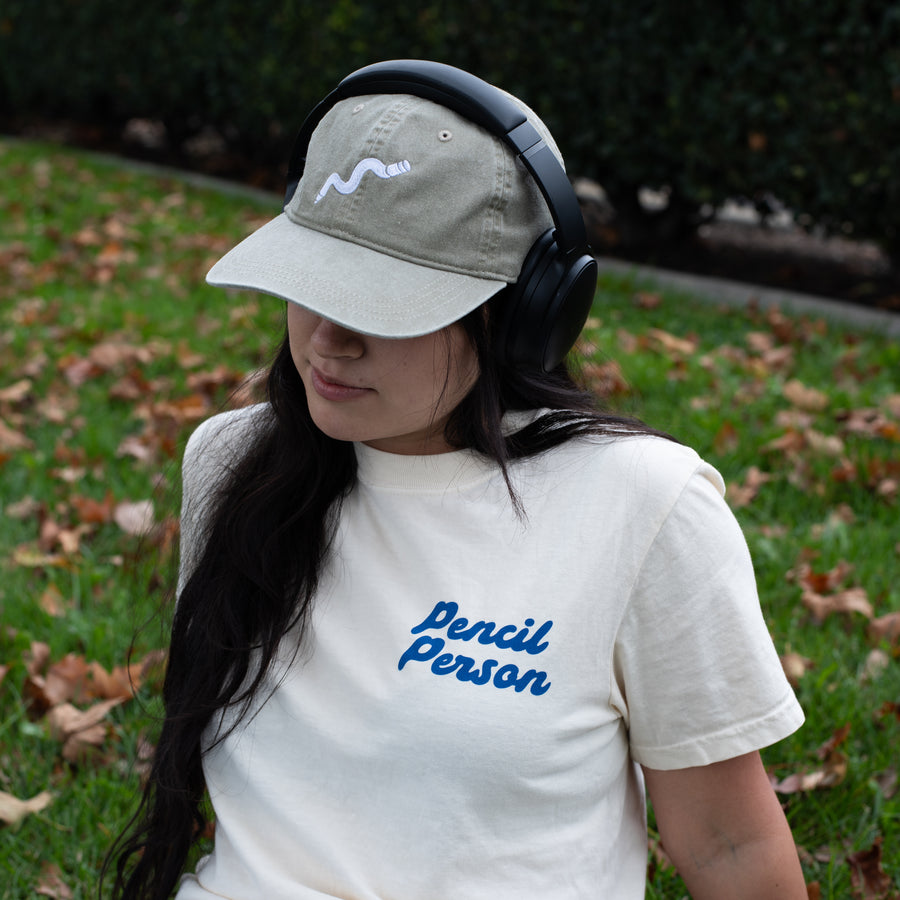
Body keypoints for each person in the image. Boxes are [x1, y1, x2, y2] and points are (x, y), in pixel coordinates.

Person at [108, 60, 807, 899]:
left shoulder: (644, 506)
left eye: (383, 303)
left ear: (525, 313)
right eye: (312, 279)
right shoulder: (231, 462)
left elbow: (729, 844)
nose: (329, 339)